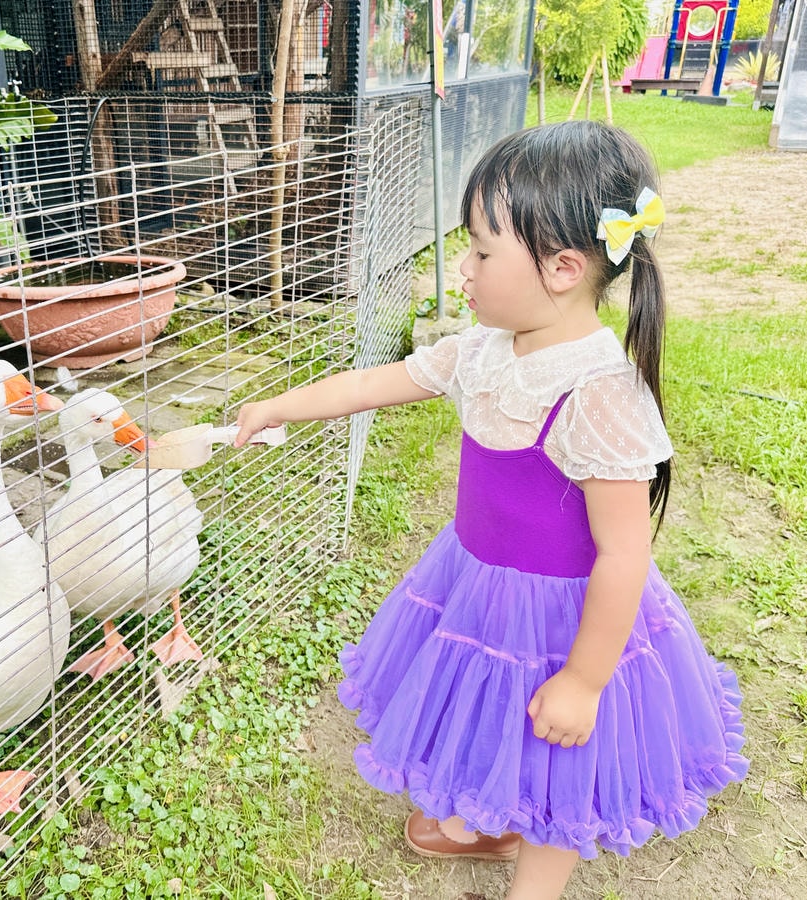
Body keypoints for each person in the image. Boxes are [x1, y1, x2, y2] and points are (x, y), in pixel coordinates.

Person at [234, 120, 748, 899]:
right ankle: (479, 819)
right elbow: (374, 384)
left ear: (564, 268)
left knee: (554, 750)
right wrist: (278, 406)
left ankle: (530, 884)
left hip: (565, 619)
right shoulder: (481, 349)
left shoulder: (598, 393)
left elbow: (624, 554)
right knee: (484, 701)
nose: (462, 268)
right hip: (476, 581)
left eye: (479, 250)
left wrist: (583, 679)